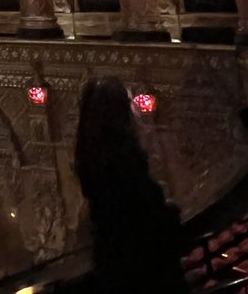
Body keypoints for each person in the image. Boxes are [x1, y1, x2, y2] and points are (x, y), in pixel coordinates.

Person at [75, 76, 186, 293]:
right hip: (145, 269)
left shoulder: (91, 159)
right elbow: (149, 217)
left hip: (112, 264)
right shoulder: (124, 161)